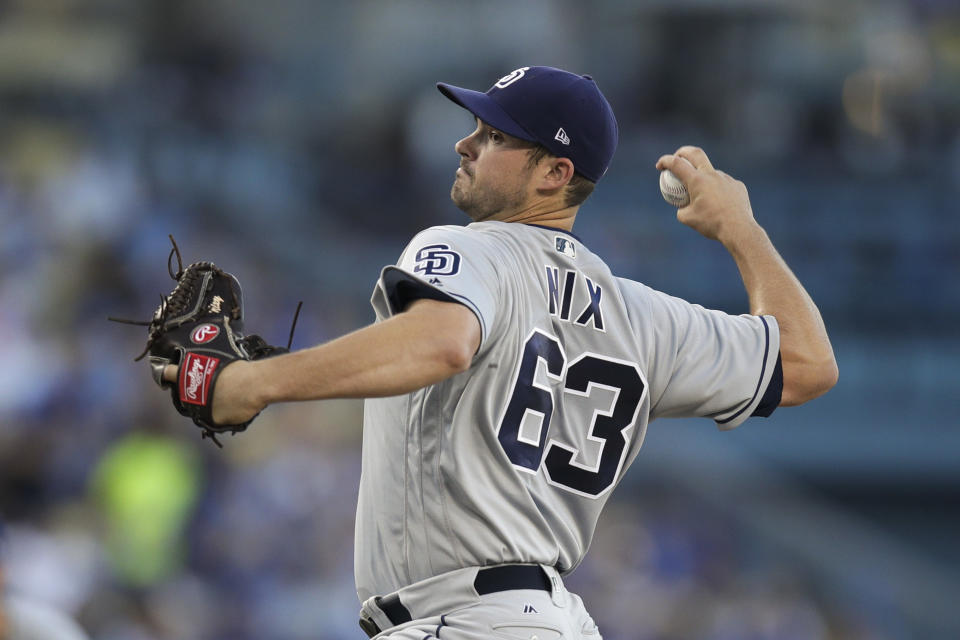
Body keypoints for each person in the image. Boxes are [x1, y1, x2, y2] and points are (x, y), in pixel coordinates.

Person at [162, 66, 838, 638]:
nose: (464, 143)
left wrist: (251, 383)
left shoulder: (471, 249)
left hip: (463, 620)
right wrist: (741, 231)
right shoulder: (645, 317)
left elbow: (446, 340)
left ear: (554, 171)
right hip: (550, 620)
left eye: (492, 136)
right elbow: (807, 364)